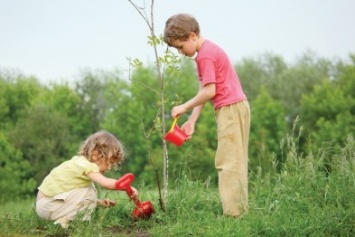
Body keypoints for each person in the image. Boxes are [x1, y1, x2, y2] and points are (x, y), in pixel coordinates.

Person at [164, 13, 250, 218]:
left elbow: (210, 92)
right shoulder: (205, 54)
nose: (180, 52)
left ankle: (234, 214)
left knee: (228, 162)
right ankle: (239, 211)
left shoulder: (206, 56)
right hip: (233, 107)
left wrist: (183, 107)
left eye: (180, 46)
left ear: (192, 36)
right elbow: (205, 89)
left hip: (230, 109)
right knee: (235, 160)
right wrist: (192, 120)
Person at [35, 130, 138, 228]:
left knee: (89, 189)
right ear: (95, 155)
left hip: (47, 205)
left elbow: (73, 196)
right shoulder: (86, 165)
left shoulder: (80, 164)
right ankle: (64, 222)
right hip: (47, 204)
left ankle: (61, 222)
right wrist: (127, 187)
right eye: (109, 162)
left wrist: (98, 202)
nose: (109, 167)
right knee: (90, 191)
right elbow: (106, 183)